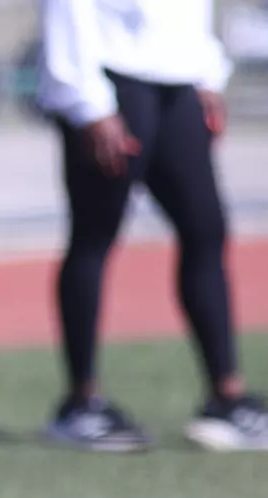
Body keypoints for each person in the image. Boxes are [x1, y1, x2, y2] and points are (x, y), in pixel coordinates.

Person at [38, 0, 267, 451]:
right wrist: (89, 103)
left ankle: (227, 398)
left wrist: (205, 71)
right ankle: (81, 403)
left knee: (206, 230)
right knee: (94, 236)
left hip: (177, 83)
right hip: (111, 83)